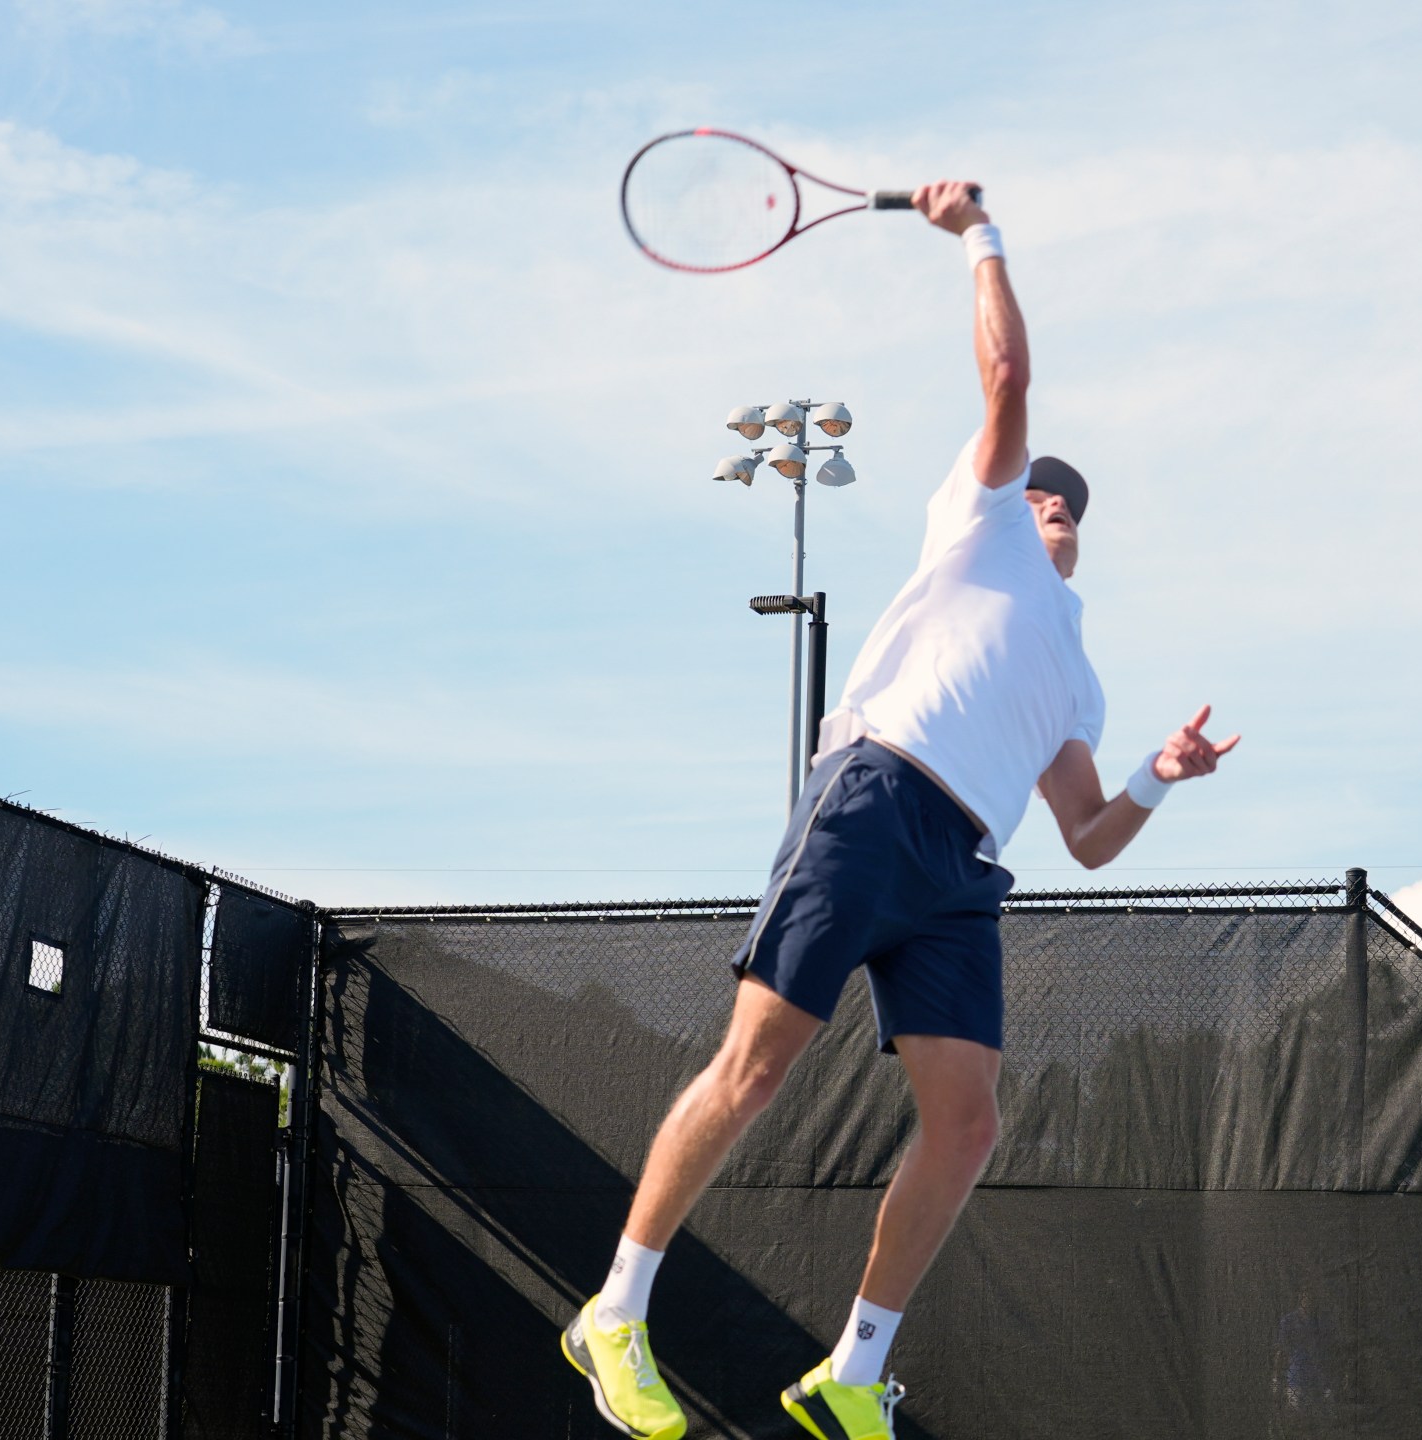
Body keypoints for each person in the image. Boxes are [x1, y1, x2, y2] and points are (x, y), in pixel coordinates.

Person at [560, 179, 1240, 1440]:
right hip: (872, 798)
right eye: (1041, 493)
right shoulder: (972, 527)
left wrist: (1157, 774)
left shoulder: (1075, 673)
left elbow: (1087, 840)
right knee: (756, 1070)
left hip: (961, 870)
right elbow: (1009, 381)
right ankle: (615, 1309)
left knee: (969, 1123)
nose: (1056, 510)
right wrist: (977, 237)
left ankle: (854, 1373)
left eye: (1070, 508)